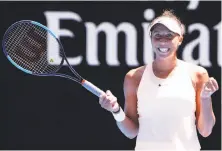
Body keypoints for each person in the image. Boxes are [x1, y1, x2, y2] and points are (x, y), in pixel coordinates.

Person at [99, 10, 219, 151]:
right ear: (151, 38)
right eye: (157, 35)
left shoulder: (198, 74)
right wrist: (116, 110)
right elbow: (131, 132)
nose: (163, 40)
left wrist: (205, 98)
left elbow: (205, 131)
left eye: (169, 35)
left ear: (180, 39)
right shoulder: (133, 77)